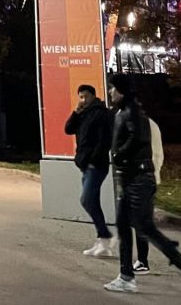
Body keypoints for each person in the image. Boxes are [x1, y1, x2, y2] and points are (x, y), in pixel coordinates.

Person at [103, 73, 181, 295]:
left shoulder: (133, 112)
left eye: (113, 88)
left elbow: (140, 138)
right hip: (129, 177)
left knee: (145, 227)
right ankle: (126, 277)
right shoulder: (123, 111)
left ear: (122, 90)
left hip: (139, 179)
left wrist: (118, 155)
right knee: (123, 227)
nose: (110, 92)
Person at [64, 83, 114, 257]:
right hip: (85, 164)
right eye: (81, 97)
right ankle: (103, 242)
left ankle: (105, 236)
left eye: (86, 96)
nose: (83, 100)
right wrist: (76, 112)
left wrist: (93, 160)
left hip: (96, 165)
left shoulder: (101, 113)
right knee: (93, 202)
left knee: (86, 200)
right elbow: (68, 129)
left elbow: (104, 140)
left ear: (94, 96)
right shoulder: (83, 113)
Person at [133, 115, 164, 274]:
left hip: (143, 178)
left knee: (141, 221)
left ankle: (143, 261)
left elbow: (155, 154)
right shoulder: (148, 124)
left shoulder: (142, 125)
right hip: (144, 177)